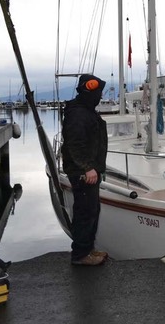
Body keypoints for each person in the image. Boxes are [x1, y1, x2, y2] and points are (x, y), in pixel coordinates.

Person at [61, 74, 109, 266]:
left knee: (92, 210)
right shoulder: (79, 114)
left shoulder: (86, 111)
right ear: (90, 91)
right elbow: (75, 143)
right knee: (84, 212)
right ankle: (81, 254)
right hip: (82, 172)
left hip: (88, 170)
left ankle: (88, 249)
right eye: (99, 92)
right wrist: (87, 167)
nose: (100, 96)